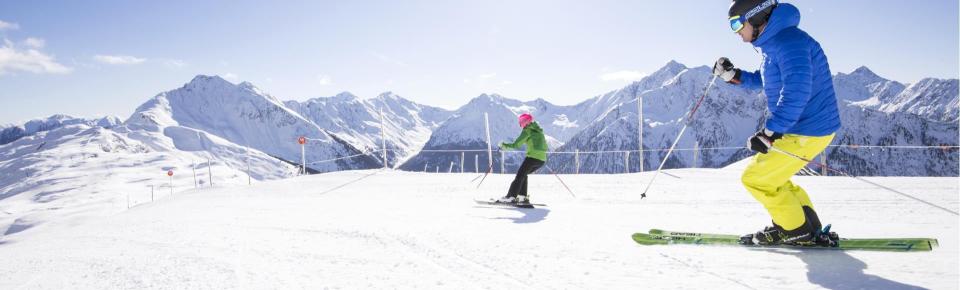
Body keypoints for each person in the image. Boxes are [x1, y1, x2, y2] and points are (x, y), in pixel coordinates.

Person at [713, 0, 841, 246]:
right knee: (775, 178)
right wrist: (734, 76)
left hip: (806, 129)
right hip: (807, 127)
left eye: (737, 24)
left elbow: (796, 90)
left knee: (756, 178)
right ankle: (806, 227)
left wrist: (771, 131)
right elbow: (769, 80)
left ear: (756, 16)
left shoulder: (788, 43)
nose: (737, 32)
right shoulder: (778, 43)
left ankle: (794, 230)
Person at [496, 113, 548, 205]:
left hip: (532, 158)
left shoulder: (527, 131)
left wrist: (503, 145)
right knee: (523, 175)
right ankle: (522, 197)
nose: (520, 124)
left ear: (525, 122)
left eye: (521, 122)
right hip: (541, 160)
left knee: (520, 176)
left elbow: (516, 145)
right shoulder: (538, 130)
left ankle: (511, 197)